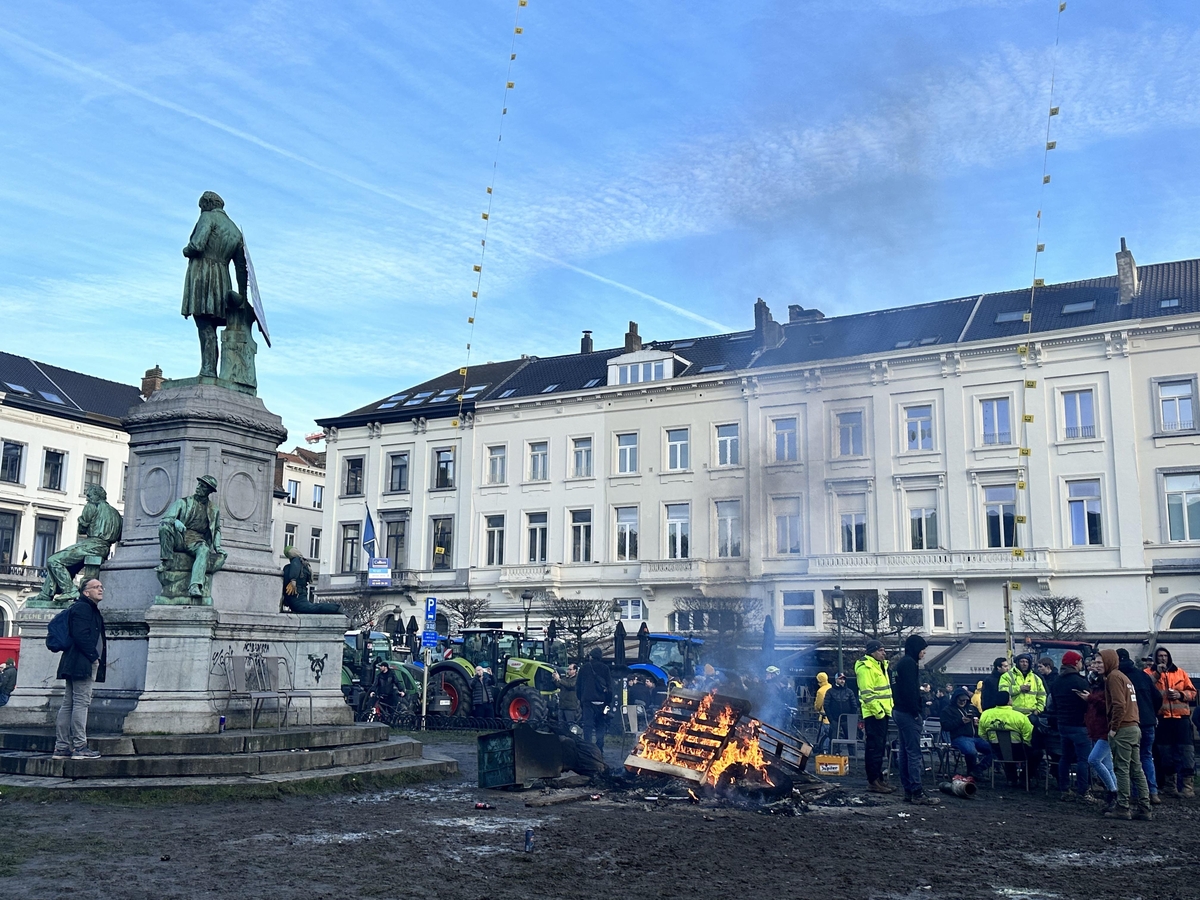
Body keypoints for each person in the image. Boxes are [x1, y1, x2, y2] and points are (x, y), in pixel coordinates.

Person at [33, 484, 122, 604]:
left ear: (96, 496)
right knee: (62, 562)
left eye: (89, 496)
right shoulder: (116, 514)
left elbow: (82, 528)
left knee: (53, 560)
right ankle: (46, 594)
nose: (87, 499)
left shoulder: (92, 506)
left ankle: (69, 590)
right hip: (105, 548)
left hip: (92, 545)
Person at [52, 578, 107, 760]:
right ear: (86, 592)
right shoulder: (84, 608)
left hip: (74, 660)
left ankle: (61, 747)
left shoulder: (84, 607)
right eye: (96, 587)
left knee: (69, 703)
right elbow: (81, 635)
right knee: (81, 703)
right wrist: (94, 656)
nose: (101, 589)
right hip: (82, 661)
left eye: (101, 586)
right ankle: (79, 746)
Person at [1100, 649, 1152, 820]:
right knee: (1137, 769)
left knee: (1121, 768)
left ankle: (1123, 806)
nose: (1097, 664)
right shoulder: (1125, 677)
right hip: (1134, 727)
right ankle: (1145, 807)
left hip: (1123, 728)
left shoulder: (1113, 677)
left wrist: (1113, 728)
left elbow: (1119, 705)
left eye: (1100, 661)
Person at [158, 475, 227, 600]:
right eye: (199, 484)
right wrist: (175, 522)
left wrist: (218, 547)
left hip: (196, 540)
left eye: (203, 486)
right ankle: (166, 561)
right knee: (164, 526)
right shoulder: (182, 502)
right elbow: (166, 519)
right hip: (180, 537)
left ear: (209, 491)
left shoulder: (214, 509)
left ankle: (195, 585)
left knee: (204, 549)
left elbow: (216, 529)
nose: (199, 487)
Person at [891, 634, 938, 805]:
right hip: (908, 713)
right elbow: (910, 691)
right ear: (916, 648)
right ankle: (917, 791)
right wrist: (916, 711)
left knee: (904, 752)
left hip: (898, 711)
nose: (924, 653)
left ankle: (908, 790)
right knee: (913, 753)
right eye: (923, 650)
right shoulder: (910, 664)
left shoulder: (900, 664)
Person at [1146, 647, 1197, 799]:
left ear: (1169, 657)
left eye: (1165, 656)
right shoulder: (1149, 673)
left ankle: (1187, 786)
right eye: (1160, 656)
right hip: (1162, 719)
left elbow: (1193, 693)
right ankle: (1170, 786)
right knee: (1165, 754)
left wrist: (1180, 694)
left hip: (1181, 719)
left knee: (1186, 752)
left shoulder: (1180, 673)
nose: (1163, 658)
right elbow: (1146, 688)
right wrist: (1157, 674)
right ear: (1155, 658)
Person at [1117, 648, 1161, 805]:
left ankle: (1135, 793)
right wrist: (1152, 713)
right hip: (1148, 722)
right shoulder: (1143, 675)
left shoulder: (1117, 677)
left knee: (1130, 760)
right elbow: (1157, 697)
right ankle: (1153, 792)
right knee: (1146, 756)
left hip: (1129, 723)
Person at [1049, 650, 1093, 801]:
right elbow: (1089, 703)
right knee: (1083, 759)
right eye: (1080, 662)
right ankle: (1083, 791)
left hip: (1063, 724)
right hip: (1080, 725)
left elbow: (1053, 704)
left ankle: (1065, 789)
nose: (1082, 664)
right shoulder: (1080, 682)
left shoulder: (1056, 682)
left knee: (1065, 758)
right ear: (1075, 663)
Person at [855, 639, 894, 794]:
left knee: (879, 748)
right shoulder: (866, 667)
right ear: (873, 651)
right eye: (881, 650)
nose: (884, 653)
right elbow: (867, 693)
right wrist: (878, 712)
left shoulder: (879, 666)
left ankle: (878, 779)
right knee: (874, 748)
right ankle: (873, 781)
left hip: (882, 713)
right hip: (874, 714)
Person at [1084, 656, 1118, 812]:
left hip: (1107, 728)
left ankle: (1113, 792)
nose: (1095, 665)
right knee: (1108, 765)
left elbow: (1110, 706)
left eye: (1099, 663)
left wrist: (1090, 698)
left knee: (1094, 760)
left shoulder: (1109, 682)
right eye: (1094, 663)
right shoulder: (1097, 681)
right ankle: (1116, 797)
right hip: (1099, 728)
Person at [978, 691, 1035, 787]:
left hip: (997, 751)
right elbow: (1028, 735)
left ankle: (1011, 779)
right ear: (1009, 701)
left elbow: (982, 733)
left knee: (1005, 751)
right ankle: (1024, 778)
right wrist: (1027, 745)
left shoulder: (985, 714)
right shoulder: (1019, 716)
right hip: (1019, 752)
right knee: (1036, 754)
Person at [940, 686, 992, 778]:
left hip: (975, 737)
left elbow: (981, 718)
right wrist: (960, 721)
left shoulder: (972, 708)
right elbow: (945, 726)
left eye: (965, 700)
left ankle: (978, 769)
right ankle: (972, 772)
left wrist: (979, 721)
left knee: (995, 749)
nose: (963, 702)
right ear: (955, 699)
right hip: (959, 737)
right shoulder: (947, 710)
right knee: (971, 751)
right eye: (961, 700)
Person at [281, 546, 341, 613]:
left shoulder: (295, 563)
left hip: (297, 597)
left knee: (310, 608)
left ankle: (335, 608)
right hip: (300, 595)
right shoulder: (303, 564)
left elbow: (295, 564)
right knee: (311, 608)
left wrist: (293, 580)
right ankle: (335, 608)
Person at [577, 647, 612, 751]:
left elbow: (578, 686)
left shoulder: (584, 668)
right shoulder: (605, 668)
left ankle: (588, 749)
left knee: (587, 726)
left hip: (588, 701)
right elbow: (609, 687)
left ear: (591, 656)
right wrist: (608, 701)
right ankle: (599, 748)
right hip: (602, 702)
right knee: (600, 725)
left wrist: (581, 699)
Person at [1000, 653, 1047, 718]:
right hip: (1012, 714)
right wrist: (1019, 688)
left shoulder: (1036, 678)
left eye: (1026, 662)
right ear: (1017, 663)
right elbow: (1002, 692)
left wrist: (1038, 710)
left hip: (1031, 715)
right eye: (1022, 661)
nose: (1024, 664)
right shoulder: (1007, 676)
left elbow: (1042, 695)